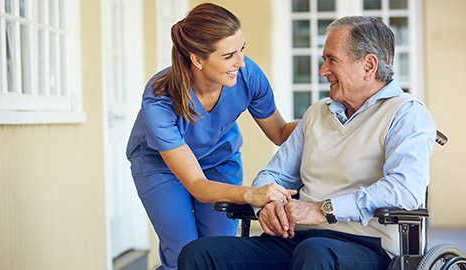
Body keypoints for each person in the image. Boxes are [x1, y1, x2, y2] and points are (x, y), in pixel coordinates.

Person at [178, 16, 437, 270]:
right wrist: (268, 206)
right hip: (294, 239)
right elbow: (274, 174)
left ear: (369, 66)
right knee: (199, 254)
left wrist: (324, 210)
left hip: (366, 245)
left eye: (331, 60)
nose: (323, 71)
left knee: (314, 253)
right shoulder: (317, 113)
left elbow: (405, 190)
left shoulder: (406, 113)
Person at [126, 3, 298, 270]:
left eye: (242, 49)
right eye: (229, 55)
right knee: (183, 252)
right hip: (160, 167)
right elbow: (196, 183)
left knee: (218, 251)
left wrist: (324, 122)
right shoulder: (160, 100)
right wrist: (251, 194)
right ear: (197, 59)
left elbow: (279, 132)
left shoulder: (247, 74)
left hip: (218, 159)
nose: (240, 62)